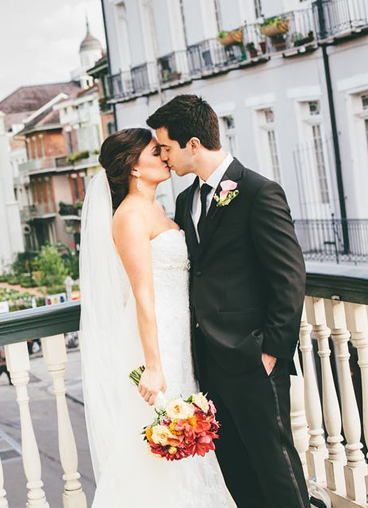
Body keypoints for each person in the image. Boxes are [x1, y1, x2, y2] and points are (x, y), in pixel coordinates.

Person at [149, 94, 309, 508]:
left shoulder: (259, 192)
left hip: (254, 358)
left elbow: (289, 277)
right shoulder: (186, 202)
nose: (164, 158)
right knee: (235, 469)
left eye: (166, 147)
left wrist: (271, 350)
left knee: (276, 466)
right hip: (209, 365)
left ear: (194, 145)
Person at [79, 128, 229, 507]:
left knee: (188, 439)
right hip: (155, 338)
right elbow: (143, 296)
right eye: (154, 151)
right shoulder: (129, 217)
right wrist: (154, 365)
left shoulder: (159, 208)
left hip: (179, 333)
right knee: (161, 438)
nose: (164, 156)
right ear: (132, 167)